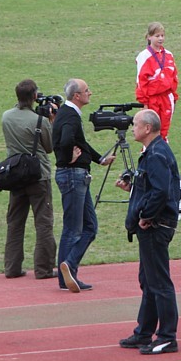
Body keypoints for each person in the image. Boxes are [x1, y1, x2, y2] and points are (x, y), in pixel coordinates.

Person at [116, 109, 181, 355]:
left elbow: (161, 192)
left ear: (147, 129)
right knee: (148, 281)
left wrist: (146, 216)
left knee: (159, 283)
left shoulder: (156, 154)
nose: (132, 128)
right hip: (153, 225)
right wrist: (132, 187)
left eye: (135, 124)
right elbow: (154, 188)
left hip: (156, 227)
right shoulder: (154, 152)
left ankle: (166, 337)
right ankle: (144, 332)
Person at [53, 78, 115, 293]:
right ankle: (68, 269)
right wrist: (67, 157)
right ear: (77, 96)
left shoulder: (66, 113)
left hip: (76, 175)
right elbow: (66, 139)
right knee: (74, 228)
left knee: (89, 227)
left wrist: (99, 159)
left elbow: (79, 141)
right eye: (87, 90)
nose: (91, 93)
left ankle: (67, 273)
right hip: (73, 175)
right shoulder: (70, 115)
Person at [1, 80, 57, 279]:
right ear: (34, 96)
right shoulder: (39, 121)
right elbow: (49, 147)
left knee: (15, 222)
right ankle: (43, 268)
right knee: (43, 221)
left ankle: (12, 267)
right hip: (38, 175)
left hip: (15, 175)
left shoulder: (6, 117)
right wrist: (50, 121)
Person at [135, 22, 179, 142]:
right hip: (152, 99)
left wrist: (174, 97)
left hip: (167, 98)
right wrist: (144, 103)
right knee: (150, 132)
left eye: (162, 35)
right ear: (149, 37)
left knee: (164, 131)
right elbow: (141, 81)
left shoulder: (169, 55)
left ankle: (163, 155)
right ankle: (147, 154)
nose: (160, 39)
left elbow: (174, 77)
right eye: (157, 36)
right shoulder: (144, 56)